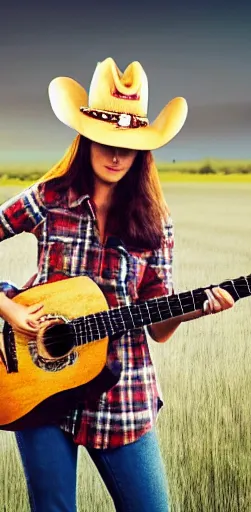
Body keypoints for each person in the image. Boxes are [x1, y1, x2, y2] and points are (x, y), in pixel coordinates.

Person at [0, 57, 235, 511]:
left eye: (127, 146)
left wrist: (197, 308)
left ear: (142, 150)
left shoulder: (156, 224)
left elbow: (159, 326)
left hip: (121, 395)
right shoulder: (50, 199)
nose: (114, 155)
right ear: (86, 138)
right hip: (36, 382)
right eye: (106, 141)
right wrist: (7, 306)